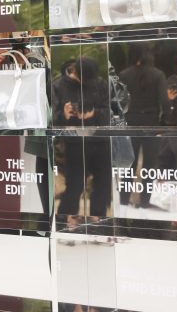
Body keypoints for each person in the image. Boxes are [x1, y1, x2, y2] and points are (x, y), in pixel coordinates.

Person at [53, 57, 111, 228]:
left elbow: (110, 112)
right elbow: (51, 120)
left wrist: (93, 114)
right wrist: (64, 115)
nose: (88, 84)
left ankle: (98, 223)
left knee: (102, 185)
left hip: (100, 140)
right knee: (74, 186)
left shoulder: (100, 84)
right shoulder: (59, 86)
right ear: (75, 72)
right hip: (75, 143)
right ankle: (65, 223)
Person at [119, 45, 169, 208]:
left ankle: (123, 201)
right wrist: (163, 125)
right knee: (149, 166)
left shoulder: (124, 74)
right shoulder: (158, 75)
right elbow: (165, 103)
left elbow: (118, 102)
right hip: (151, 123)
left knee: (129, 165)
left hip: (130, 122)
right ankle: (144, 204)